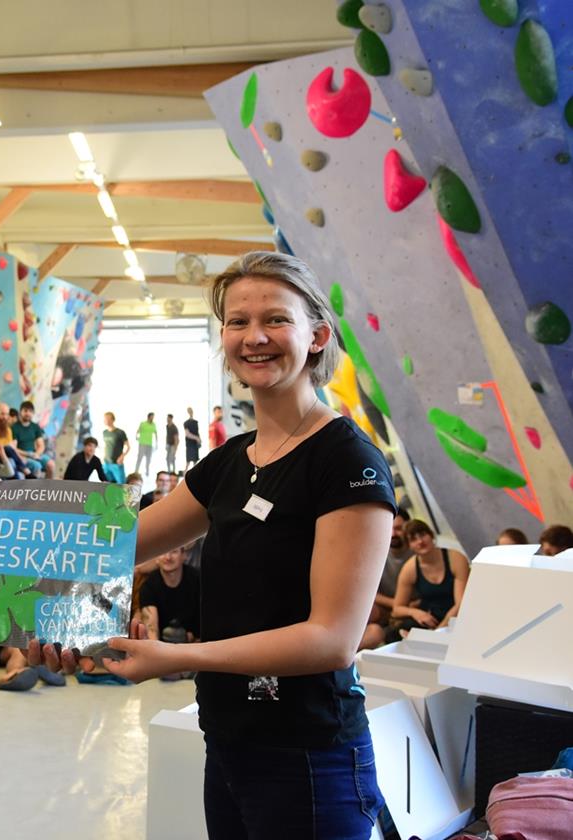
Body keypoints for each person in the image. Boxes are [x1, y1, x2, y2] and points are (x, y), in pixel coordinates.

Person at [35, 251, 395, 838]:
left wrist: (178, 657)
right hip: (228, 739)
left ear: (318, 334)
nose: (254, 337)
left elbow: (332, 639)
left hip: (309, 755)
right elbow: (106, 545)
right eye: (236, 321)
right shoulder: (232, 460)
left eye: (275, 319)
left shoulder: (346, 461)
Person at [390, 520, 470, 636]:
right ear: (409, 546)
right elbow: (397, 609)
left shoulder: (456, 558)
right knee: (394, 634)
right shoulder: (410, 568)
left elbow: (461, 604)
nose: (420, 542)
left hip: (459, 615)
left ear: (431, 535)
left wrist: (438, 633)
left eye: (423, 535)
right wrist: (415, 613)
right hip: (431, 619)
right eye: (413, 539)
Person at [135, 543, 201, 679]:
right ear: (156, 558)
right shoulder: (149, 586)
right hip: (163, 647)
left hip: (194, 646)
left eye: (174, 552)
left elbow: (208, 621)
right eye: (163, 552)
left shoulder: (198, 580)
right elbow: (151, 629)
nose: (168, 557)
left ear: (184, 556)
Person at [359, 507, 413, 650]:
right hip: (387, 608)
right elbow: (367, 591)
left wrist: (402, 607)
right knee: (370, 611)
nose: (393, 534)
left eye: (399, 528)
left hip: (412, 607)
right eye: (389, 528)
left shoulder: (419, 553)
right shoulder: (374, 553)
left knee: (376, 631)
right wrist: (396, 605)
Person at [11, 401, 54, 479]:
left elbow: (41, 445)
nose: (28, 413)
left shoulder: (35, 427)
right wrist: (28, 454)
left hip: (35, 454)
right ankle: (35, 489)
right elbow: (13, 448)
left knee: (51, 464)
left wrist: (36, 454)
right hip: (22, 455)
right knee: (37, 466)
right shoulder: (14, 427)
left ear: (33, 413)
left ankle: (48, 488)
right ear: (20, 412)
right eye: (25, 411)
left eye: (30, 411)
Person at [102, 412, 129, 484]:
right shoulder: (104, 432)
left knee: (121, 484)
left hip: (116, 463)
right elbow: (106, 446)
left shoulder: (120, 432)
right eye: (105, 419)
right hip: (106, 463)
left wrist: (122, 457)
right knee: (106, 484)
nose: (106, 421)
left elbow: (128, 447)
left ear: (113, 420)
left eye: (108, 419)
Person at [182, 407, 201, 473]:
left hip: (195, 444)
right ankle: (185, 475)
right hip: (189, 444)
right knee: (188, 461)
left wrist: (199, 440)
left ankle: (194, 474)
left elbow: (197, 432)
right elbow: (187, 434)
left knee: (195, 461)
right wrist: (196, 438)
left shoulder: (195, 422)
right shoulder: (186, 423)